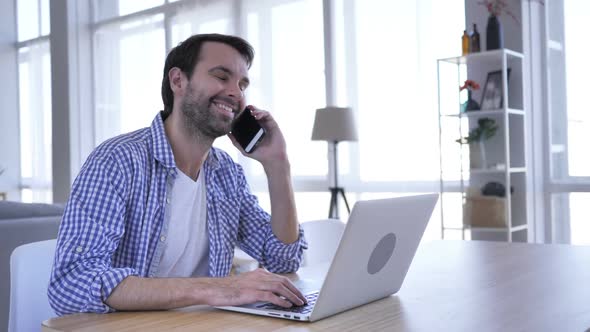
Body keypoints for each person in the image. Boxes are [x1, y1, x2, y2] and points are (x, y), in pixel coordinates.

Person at [48, 33, 308, 316]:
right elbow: (70, 284)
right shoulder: (117, 161)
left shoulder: (227, 174)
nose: (236, 93)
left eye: (242, 84)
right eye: (222, 76)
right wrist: (215, 289)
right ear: (178, 81)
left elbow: (284, 258)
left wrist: (278, 165)